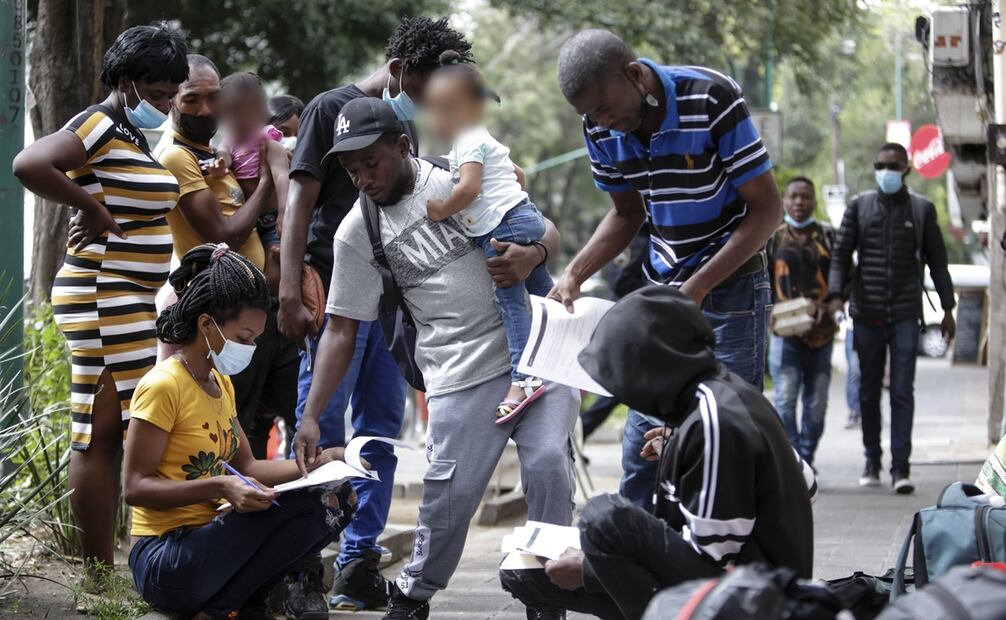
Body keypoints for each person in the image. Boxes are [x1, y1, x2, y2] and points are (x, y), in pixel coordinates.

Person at [291, 97, 577, 620]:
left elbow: (544, 230)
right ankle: (414, 594)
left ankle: (547, 595)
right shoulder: (358, 231)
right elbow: (341, 329)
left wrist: (534, 255)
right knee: (448, 501)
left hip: (534, 355)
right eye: (352, 171)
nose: (363, 179)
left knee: (548, 466)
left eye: (371, 163)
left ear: (403, 145)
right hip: (458, 374)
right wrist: (311, 415)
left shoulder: (459, 178)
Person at [278, 17, 480, 611]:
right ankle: (300, 565)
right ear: (398, 71)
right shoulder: (329, 109)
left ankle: (358, 560)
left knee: (379, 433)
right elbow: (298, 202)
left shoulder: (403, 130)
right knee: (320, 428)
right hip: (333, 297)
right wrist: (289, 289)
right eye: (422, 88)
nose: (429, 102)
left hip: (391, 304)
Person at [549, 29, 782, 510]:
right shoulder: (599, 128)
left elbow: (767, 210)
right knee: (643, 452)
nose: (602, 123)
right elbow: (626, 214)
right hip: (665, 296)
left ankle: (722, 551)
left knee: (724, 440)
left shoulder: (711, 97)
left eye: (605, 108)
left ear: (634, 75)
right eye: (589, 115)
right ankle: (635, 553)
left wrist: (698, 286)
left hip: (733, 291)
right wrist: (574, 273)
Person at [501, 287, 816, 620]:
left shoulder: (712, 423)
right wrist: (684, 449)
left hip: (755, 601)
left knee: (604, 520)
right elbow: (807, 484)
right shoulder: (729, 394)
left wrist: (589, 571)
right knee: (523, 572)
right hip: (760, 583)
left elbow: (711, 563)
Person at [12, 23, 188, 583]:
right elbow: (29, 162)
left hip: (125, 294)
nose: (164, 105)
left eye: (170, 95)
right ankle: (97, 575)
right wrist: (90, 208)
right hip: (101, 290)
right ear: (126, 81)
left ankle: (105, 569)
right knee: (101, 430)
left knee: (111, 428)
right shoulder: (97, 122)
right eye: (156, 93)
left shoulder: (129, 134)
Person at [123, 243, 356, 620]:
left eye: (255, 340)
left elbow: (247, 466)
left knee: (336, 497)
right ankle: (228, 604)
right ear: (206, 325)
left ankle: (231, 605)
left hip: (212, 543)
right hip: (164, 557)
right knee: (313, 504)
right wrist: (219, 486)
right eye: (244, 338)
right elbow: (134, 488)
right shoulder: (163, 386)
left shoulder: (220, 384)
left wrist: (322, 463)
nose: (250, 348)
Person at [157, 57, 301, 525]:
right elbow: (225, 234)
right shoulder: (177, 157)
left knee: (274, 417)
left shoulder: (218, 152)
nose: (206, 108)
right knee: (239, 428)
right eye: (191, 99)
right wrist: (265, 187)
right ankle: (227, 525)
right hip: (221, 317)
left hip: (258, 307)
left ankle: (280, 530)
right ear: (172, 101)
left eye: (213, 97)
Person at [423, 49, 552, 422]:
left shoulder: (467, 140)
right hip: (520, 216)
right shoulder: (480, 137)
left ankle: (524, 379)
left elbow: (468, 189)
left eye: (438, 111)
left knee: (509, 302)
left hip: (502, 228)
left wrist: (441, 209)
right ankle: (566, 347)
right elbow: (518, 176)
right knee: (543, 294)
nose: (433, 120)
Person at [828, 142, 956, 494]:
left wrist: (947, 310)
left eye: (893, 166)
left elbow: (938, 263)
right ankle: (872, 459)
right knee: (868, 391)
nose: (885, 172)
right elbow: (840, 255)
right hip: (866, 312)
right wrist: (836, 296)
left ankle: (901, 467)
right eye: (880, 165)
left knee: (902, 390)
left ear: (906, 170)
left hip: (905, 312)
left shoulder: (922, 210)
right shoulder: (859, 207)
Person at [766, 176, 837, 465]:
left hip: (822, 334)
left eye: (805, 197)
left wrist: (831, 306)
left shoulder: (829, 237)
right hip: (784, 336)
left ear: (814, 202)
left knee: (817, 404)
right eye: (793, 196)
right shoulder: (772, 238)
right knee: (784, 400)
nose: (799, 202)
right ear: (784, 201)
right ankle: (795, 461)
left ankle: (807, 456)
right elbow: (762, 282)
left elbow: (845, 278)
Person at [220, 71, 290, 265]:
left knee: (275, 262)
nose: (239, 120)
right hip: (246, 219)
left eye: (246, 113)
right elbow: (223, 155)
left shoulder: (267, 142)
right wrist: (219, 164)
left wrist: (284, 213)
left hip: (272, 219)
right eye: (231, 114)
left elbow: (282, 176)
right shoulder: (229, 141)